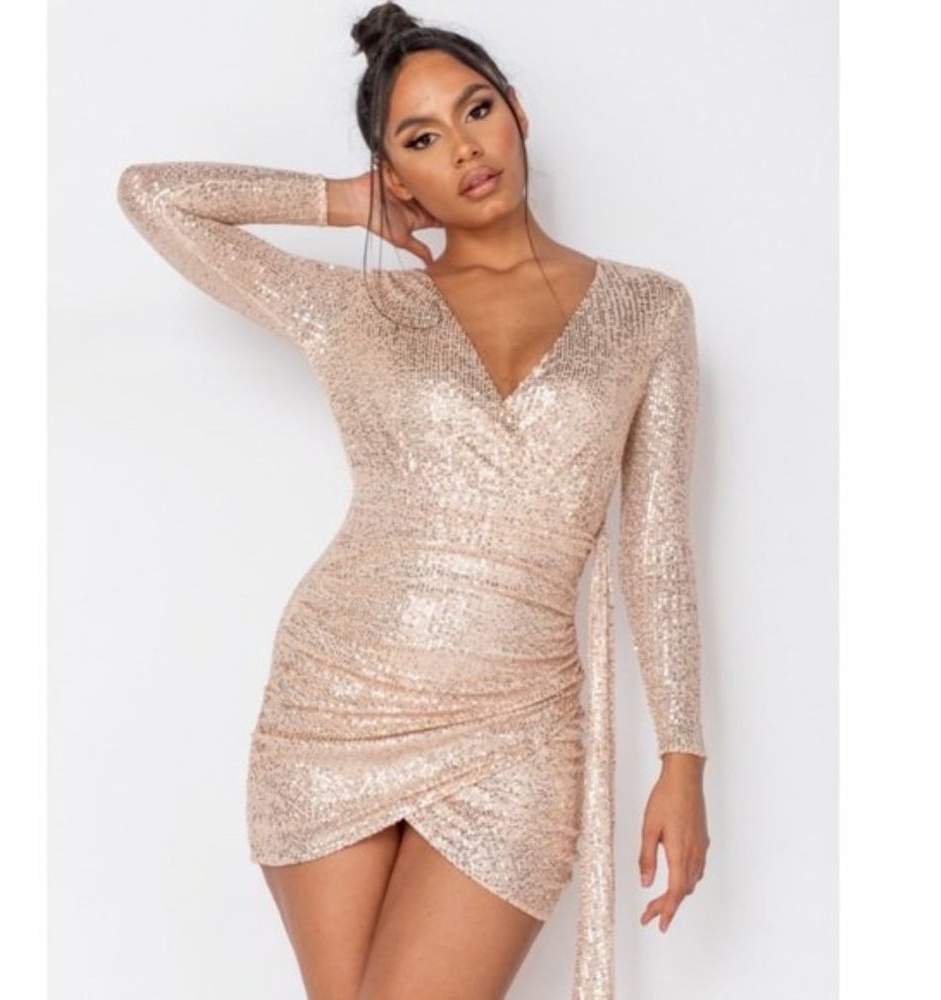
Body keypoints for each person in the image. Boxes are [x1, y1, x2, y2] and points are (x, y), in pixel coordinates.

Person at [116, 3, 710, 997]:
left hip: (516, 728)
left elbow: (655, 548)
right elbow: (150, 195)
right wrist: (341, 203)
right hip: (338, 700)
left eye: (476, 110)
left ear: (517, 112)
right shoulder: (353, 308)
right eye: (420, 139)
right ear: (395, 174)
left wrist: (683, 758)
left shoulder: (648, 309)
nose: (465, 149)